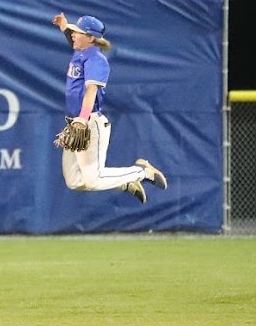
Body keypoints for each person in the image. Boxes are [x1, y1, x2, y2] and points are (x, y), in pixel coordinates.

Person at [50, 12, 169, 202]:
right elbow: (73, 36)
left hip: (90, 122)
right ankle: (125, 183)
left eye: (78, 32)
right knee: (73, 181)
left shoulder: (96, 60)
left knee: (93, 180)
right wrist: (64, 26)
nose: (73, 34)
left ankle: (142, 172)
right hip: (75, 123)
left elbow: (91, 91)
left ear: (90, 38)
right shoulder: (81, 50)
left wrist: (82, 118)